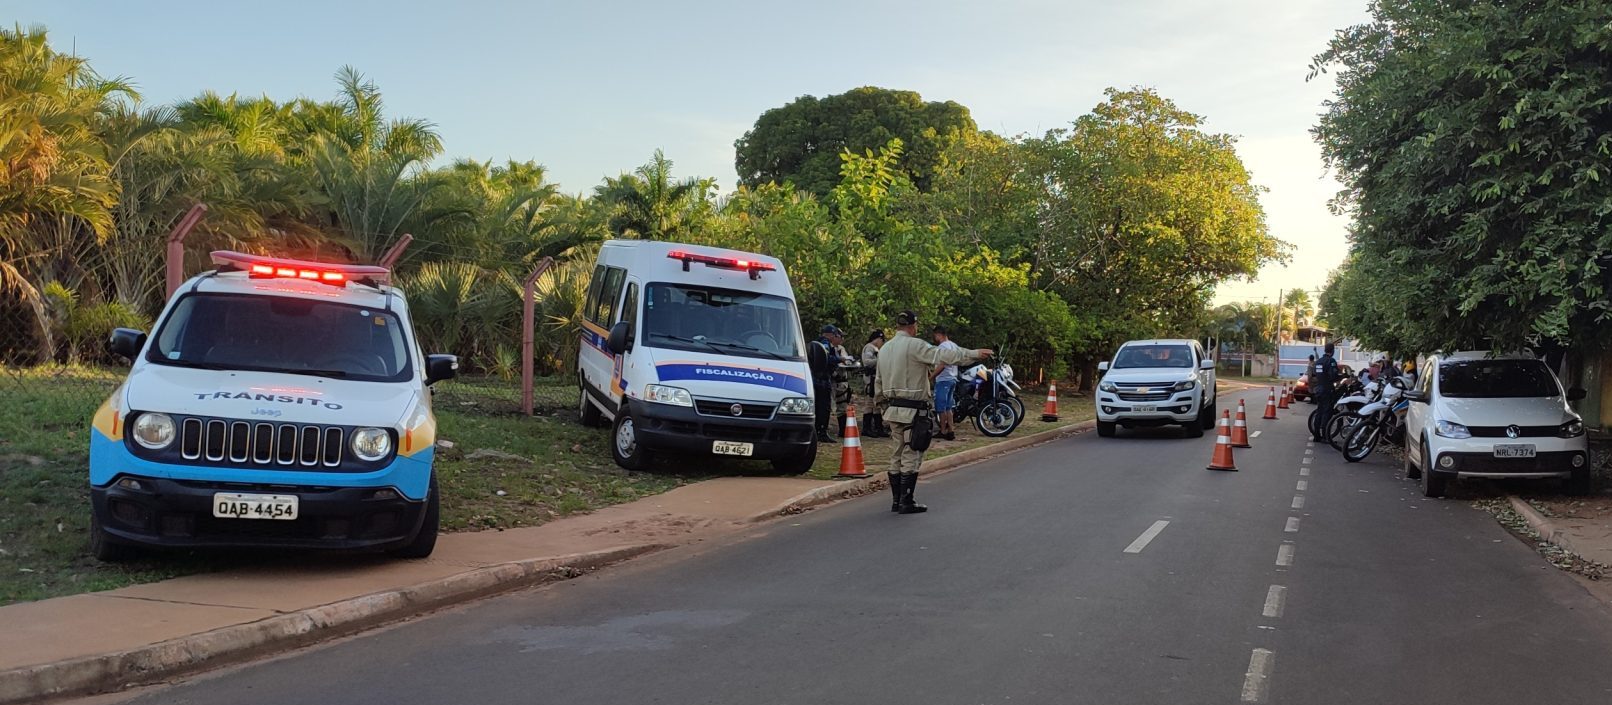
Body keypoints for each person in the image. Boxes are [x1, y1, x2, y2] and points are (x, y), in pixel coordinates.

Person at [876, 311, 992, 514]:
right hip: (913, 408)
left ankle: (896, 500)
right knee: (912, 451)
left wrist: (882, 407)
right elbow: (945, 356)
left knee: (897, 452)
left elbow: (878, 381)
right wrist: (974, 354)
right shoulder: (915, 345)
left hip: (892, 409)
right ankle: (906, 501)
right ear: (913, 326)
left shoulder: (885, 348)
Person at [807, 325, 845, 443]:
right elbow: (827, 359)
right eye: (834, 334)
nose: (834, 337)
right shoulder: (824, 343)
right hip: (822, 380)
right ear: (829, 334)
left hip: (815, 378)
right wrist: (840, 359)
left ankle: (816, 430)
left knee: (817, 406)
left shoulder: (815, 343)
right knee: (824, 407)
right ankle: (821, 431)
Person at [929, 326, 962, 441]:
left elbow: (942, 365)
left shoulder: (943, 347)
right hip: (953, 378)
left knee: (940, 407)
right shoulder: (954, 345)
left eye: (935, 336)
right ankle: (951, 429)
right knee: (948, 407)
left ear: (939, 335)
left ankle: (943, 430)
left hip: (944, 379)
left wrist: (931, 377)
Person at [860, 330, 889, 438]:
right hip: (870, 379)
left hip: (876, 379)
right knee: (869, 403)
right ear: (878, 339)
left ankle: (878, 428)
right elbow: (867, 362)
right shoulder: (869, 347)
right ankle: (867, 428)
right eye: (882, 340)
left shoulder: (875, 349)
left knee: (877, 404)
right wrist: (880, 360)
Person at [1311, 341, 1341, 442]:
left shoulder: (1318, 362)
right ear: (1332, 351)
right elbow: (1333, 376)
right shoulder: (1331, 361)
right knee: (1327, 413)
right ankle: (1325, 436)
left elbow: (1315, 374)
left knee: (1319, 411)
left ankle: (1316, 436)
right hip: (1327, 389)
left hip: (1318, 389)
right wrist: (1341, 377)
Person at [832, 337, 858, 436]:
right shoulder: (828, 348)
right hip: (832, 380)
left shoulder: (841, 348)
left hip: (842, 381)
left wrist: (850, 363)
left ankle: (842, 431)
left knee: (842, 405)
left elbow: (847, 361)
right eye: (839, 336)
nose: (842, 339)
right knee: (828, 406)